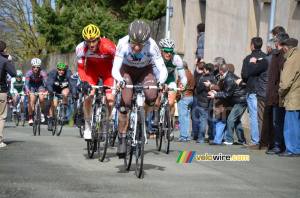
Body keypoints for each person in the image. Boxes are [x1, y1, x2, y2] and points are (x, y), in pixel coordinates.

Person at [112, 19, 168, 158]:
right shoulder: (122, 43)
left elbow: (163, 70)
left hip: (145, 70)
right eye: (134, 43)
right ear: (129, 38)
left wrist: (161, 81)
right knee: (124, 104)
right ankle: (123, 137)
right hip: (127, 70)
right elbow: (115, 69)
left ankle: (142, 119)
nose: (137, 47)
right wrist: (120, 81)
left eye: (141, 45)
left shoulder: (152, 45)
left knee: (151, 96)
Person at [76, 24, 116, 140]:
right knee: (88, 97)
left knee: (110, 101)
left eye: (93, 41)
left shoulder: (108, 46)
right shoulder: (80, 49)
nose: (91, 44)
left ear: (98, 39)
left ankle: (106, 121)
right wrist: (84, 82)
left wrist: (119, 79)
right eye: (88, 41)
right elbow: (80, 68)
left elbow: (118, 63)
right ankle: (88, 127)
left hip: (108, 71)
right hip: (91, 70)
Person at [151, 38, 187, 140]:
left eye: (170, 51)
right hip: (157, 79)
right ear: (161, 50)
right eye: (166, 51)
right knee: (156, 98)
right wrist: (160, 83)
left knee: (170, 103)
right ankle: (155, 116)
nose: (168, 54)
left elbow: (183, 77)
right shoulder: (156, 58)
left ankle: (170, 126)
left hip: (170, 80)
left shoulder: (176, 59)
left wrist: (183, 85)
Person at [247, 39, 277, 152]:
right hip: (275, 93)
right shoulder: (279, 59)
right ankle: (272, 143)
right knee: (273, 120)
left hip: (263, 93)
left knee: (262, 119)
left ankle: (263, 144)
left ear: (269, 48)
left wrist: (252, 62)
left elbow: (251, 72)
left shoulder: (266, 60)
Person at [208, 64, 247, 145]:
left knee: (230, 119)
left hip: (240, 101)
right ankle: (241, 139)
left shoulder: (228, 78)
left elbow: (227, 94)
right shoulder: (229, 76)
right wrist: (216, 93)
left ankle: (229, 140)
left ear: (221, 71)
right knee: (236, 120)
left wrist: (215, 95)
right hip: (240, 100)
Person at [264, 32, 289, 155]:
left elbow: (281, 78)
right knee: (278, 121)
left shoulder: (281, 56)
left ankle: (280, 145)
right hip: (276, 94)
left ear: (277, 43)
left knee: (278, 121)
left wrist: (277, 92)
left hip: (279, 95)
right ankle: (279, 144)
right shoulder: (277, 55)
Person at [241, 37, 266, 147]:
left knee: (254, 116)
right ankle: (264, 139)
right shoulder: (266, 57)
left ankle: (255, 140)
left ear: (252, 45)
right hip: (264, 90)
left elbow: (245, 75)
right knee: (263, 116)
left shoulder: (249, 58)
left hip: (252, 89)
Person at [278, 38, 300, 157]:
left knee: (290, 125)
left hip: (293, 97)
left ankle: (292, 149)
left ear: (286, 48)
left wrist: (280, 92)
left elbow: (285, 82)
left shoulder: (291, 60)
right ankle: (297, 148)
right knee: (297, 125)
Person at [46, 62, 77, 131]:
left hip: (64, 88)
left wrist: (74, 93)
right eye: (60, 70)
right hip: (54, 90)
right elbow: (49, 84)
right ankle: (51, 121)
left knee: (65, 93)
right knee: (54, 105)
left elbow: (73, 84)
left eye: (63, 70)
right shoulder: (53, 73)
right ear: (57, 69)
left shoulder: (68, 74)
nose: (61, 71)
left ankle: (63, 107)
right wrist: (51, 92)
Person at [0, 41, 17, 147]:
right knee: (1, 116)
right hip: (1, 90)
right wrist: (10, 61)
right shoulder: (5, 60)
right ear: (4, 50)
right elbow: (14, 73)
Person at [195, 63, 217, 143]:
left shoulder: (203, 79)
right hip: (211, 102)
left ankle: (201, 138)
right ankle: (211, 137)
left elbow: (197, 90)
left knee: (203, 120)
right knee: (211, 119)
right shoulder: (214, 79)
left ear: (207, 70)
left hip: (202, 102)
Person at [25, 58, 47, 126]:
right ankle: (30, 117)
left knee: (41, 98)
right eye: (34, 67)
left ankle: (42, 112)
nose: (36, 69)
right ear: (32, 66)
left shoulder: (42, 72)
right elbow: (26, 84)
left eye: (37, 67)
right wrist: (27, 91)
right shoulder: (28, 73)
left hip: (40, 86)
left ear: (40, 67)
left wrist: (47, 90)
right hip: (31, 86)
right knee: (31, 100)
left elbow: (46, 82)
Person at [176, 61, 195, 142]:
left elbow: (180, 88)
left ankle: (183, 136)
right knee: (186, 117)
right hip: (190, 96)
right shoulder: (191, 74)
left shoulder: (183, 75)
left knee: (183, 117)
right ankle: (186, 135)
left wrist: (176, 97)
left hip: (183, 97)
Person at [191, 61, 205, 140]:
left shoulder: (196, 77)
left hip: (196, 97)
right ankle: (200, 133)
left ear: (197, 68)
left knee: (195, 116)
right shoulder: (204, 76)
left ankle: (194, 133)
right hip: (204, 98)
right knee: (202, 117)